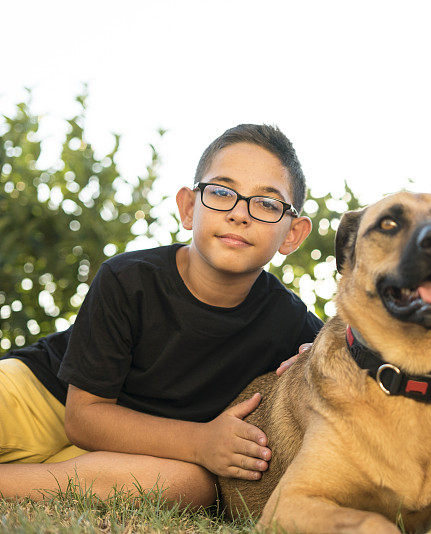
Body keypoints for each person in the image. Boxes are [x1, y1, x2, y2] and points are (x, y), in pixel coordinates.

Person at [0, 124, 322, 508]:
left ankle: (25, 484)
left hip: (144, 447)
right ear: (189, 208)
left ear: (293, 234)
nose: (240, 214)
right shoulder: (128, 277)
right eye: (221, 192)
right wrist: (202, 441)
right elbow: (83, 418)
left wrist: (316, 358)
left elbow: (352, 353)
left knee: (192, 486)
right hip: (47, 396)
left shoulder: (290, 321)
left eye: (267, 203)